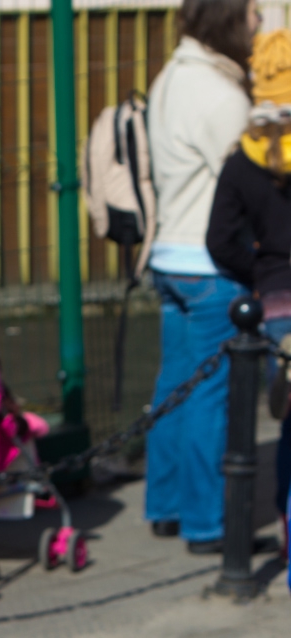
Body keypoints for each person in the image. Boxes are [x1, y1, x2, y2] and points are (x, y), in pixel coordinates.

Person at [145, 0, 260, 553]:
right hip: (210, 265)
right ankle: (207, 524)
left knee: (175, 385)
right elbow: (249, 184)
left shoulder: (172, 76)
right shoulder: (223, 94)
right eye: (256, 14)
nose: (260, 25)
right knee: (211, 395)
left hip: (169, 255)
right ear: (230, 19)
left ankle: (165, 505)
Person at [207, 29, 291, 555]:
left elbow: (219, 240)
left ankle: (288, 529)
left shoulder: (243, 160)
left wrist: (258, 274)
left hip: (277, 299)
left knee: (290, 429)